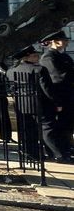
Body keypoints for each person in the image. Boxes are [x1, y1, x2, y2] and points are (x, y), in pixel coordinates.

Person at [39, 30, 73, 163]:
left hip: (68, 94)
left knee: (68, 124)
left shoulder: (64, 56)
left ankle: (67, 148)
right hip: (59, 95)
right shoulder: (48, 57)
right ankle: (60, 151)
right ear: (55, 41)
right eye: (63, 40)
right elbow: (58, 76)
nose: (66, 43)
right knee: (59, 125)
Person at [6, 45, 45, 161]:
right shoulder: (38, 69)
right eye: (35, 56)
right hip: (34, 102)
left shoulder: (11, 70)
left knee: (24, 129)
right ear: (26, 57)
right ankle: (35, 153)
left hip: (20, 102)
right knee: (35, 130)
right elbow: (45, 87)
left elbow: (11, 88)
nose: (38, 57)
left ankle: (27, 152)